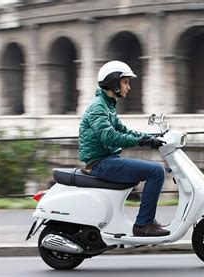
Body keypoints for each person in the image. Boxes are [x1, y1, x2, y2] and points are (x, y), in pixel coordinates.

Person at [78, 61, 170, 237]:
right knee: (156, 171)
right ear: (114, 83)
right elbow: (109, 136)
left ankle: (146, 221)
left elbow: (124, 130)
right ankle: (144, 224)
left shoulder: (107, 105)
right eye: (126, 82)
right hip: (102, 164)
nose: (129, 87)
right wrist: (142, 141)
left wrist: (150, 137)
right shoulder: (98, 106)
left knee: (156, 169)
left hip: (108, 160)